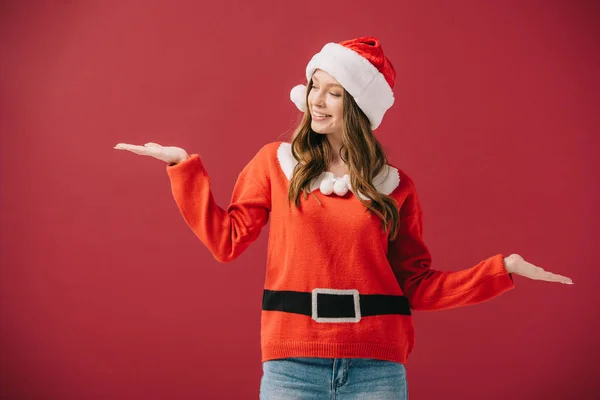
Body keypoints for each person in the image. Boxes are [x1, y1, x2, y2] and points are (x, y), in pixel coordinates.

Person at [114, 36, 573, 400]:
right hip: (291, 365)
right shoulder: (274, 164)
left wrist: (501, 270)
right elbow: (227, 240)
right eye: (315, 85)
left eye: (334, 92)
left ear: (357, 107)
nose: (317, 100)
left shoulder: (394, 187)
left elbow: (415, 285)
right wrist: (183, 169)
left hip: (377, 370)